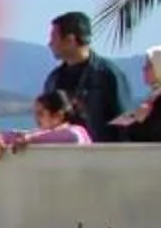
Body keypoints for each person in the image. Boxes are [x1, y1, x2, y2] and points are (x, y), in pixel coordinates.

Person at [36, 10, 125, 141]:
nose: (50, 43)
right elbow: (46, 123)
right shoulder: (54, 79)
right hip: (62, 152)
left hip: (101, 152)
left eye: (54, 38)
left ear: (70, 40)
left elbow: (124, 123)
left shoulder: (107, 75)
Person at [0, 90, 91, 158]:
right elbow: (19, 135)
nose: (36, 119)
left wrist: (31, 139)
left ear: (58, 115)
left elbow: (72, 136)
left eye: (41, 114)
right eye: (35, 114)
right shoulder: (42, 134)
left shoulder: (77, 130)